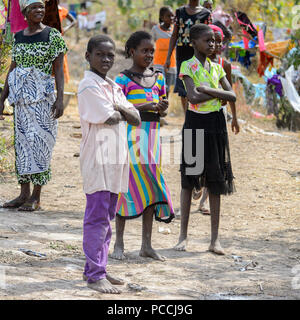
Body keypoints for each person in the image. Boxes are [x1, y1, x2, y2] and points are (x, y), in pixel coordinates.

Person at [77, 35, 141, 294]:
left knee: (107, 216)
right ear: (88, 56)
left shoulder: (112, 86)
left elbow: (135, 117)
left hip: (115, 159)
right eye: (100, 55)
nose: (106, 59)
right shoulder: (87, 86)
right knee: (97, 218)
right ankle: (95, 275)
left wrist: (120, 108)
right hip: (97, 159)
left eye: (110, 55)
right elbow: (112, 117)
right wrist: (120, 109)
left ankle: (96, 267)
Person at [175, 24, 239, 255]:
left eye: (214, 41)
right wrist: (216, 93)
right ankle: (183, 237)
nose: (212, 44)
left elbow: (231, 95)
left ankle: (214, 240)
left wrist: (208, 91)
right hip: (195, 124)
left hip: (216, 125)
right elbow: (192, 96)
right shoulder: (186, 66)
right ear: (194, 42)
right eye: (207, 41)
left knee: (216, 180)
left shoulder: (217, 67)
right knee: (189, 180)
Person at [111, 31, 175, 262]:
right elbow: (117, 107)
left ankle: (146, 245)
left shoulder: (158, 77)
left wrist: (162, 107)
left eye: (152, 51)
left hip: (152, 137)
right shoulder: (122, 79)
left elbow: (163, 110)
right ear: (132, 52)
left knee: (150, 185)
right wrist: (147, 105)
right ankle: (119, 242)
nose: (149, 55)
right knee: (125, 185)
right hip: (130, 136)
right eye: (144, 51)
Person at [0, 0, 67, 211]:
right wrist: (2, 98)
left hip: (42, 100)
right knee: (22, 146)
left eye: (41, 7)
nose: (39, 11)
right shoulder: (19, 37)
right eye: (34, 8)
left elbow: (58, 69)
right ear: (25, 13)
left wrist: (60, 99)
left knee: (40, 145)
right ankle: (23, 194)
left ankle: (36, 197)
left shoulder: (52, 35)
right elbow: (13, 68)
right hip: (21, 102)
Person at [192, 24, 240, 215]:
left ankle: (204, 201)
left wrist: (234, 118)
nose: (217, 45)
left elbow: (230, 95)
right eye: (213, 41)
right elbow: (192, 96)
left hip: (218, 115)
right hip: (198, 117)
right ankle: (198, 182)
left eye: (220, 42)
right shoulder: (192, 65)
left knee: (215, 162)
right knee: (198, 155)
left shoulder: (223, 65)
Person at [164, 0, 211, 113]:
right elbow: (174, 35)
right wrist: (168, 57)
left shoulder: (206, 13)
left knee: (197, 88)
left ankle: (195, 121)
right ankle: (188, 123)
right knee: (183, 91)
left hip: (198, 56)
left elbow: (209, 37)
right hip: (182, 56)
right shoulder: (180, 12)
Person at [151, 6, 176, 98]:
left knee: (169, 88)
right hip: (158, 63)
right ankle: (159, 106)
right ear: (162, 17)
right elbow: (150, 44)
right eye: (168, 16)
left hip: (172, 64)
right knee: (161, 86)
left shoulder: (175, 30)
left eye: (172, 16)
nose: (171, 18)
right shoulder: (156, 29)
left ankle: (165, 107)